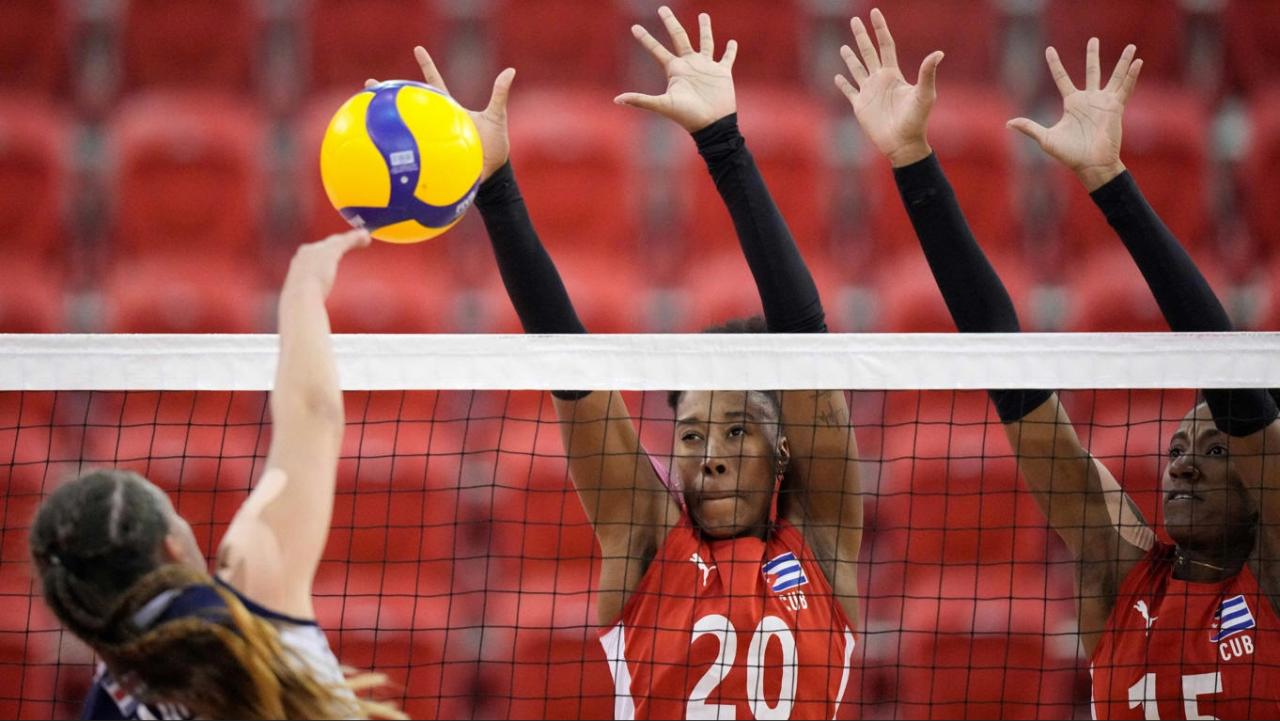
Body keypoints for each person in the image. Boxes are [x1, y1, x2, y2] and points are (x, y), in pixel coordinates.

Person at [382, 6, 863, 718]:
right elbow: (571, 369)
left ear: (784, 446)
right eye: (694, 433)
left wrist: (723, 144)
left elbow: (803, 336)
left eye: (736, 430)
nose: (712, 455)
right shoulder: (645, 537)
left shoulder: (822, 539)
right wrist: (495, 186)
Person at [838, 8, 1280, 718]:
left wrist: (1111, 182)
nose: (1182, 464)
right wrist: (911, 162)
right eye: (1176, 448)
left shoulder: (1272, 578)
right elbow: (1016, 382)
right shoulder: (1121, 574)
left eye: (1213, 448)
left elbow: (1230, 376)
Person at [28, 230, 400, 720]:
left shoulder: (102, 709)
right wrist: (304, 286)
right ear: (172, 547)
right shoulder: (251, 587)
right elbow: (314, 414)